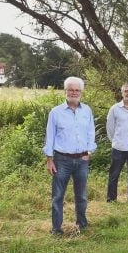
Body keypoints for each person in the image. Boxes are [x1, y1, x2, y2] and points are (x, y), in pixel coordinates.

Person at [43, 77, 97, 235]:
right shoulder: (56, 112)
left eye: (77, 90)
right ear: (65, 91)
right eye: (71, 90)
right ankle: (57, 229)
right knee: (58, 196)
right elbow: (50, 136)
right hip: (62, 160)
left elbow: (91, 133)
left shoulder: (87, 110)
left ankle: (82, 224)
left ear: (81, 92)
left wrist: (89, 151)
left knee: (81, 195)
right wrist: (49, 159)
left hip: (82, 160)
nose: (74, 92)